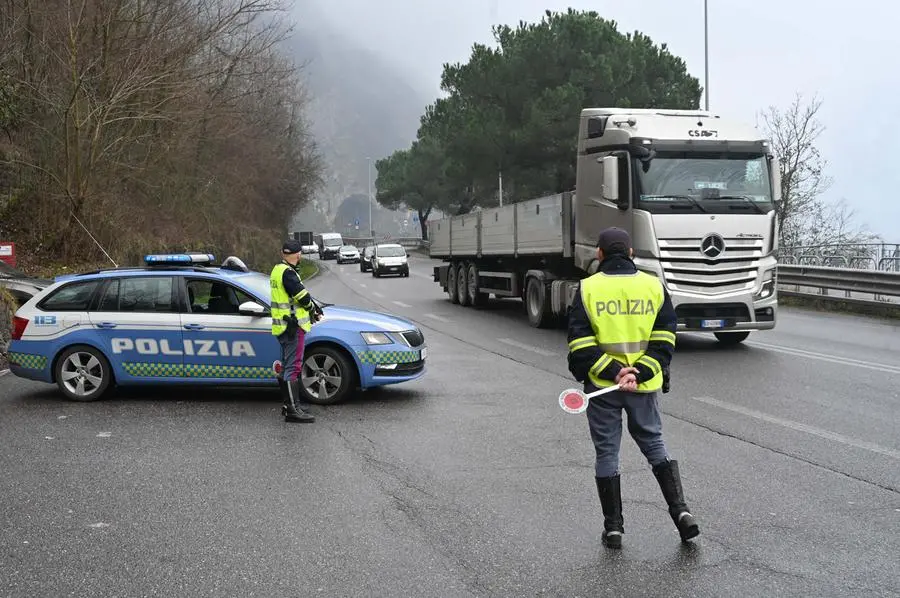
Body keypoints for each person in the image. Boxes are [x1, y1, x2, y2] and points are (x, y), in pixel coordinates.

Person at [566, 226, 700, 548]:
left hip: (603, 388)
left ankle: (613, 529)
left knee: (607, 454)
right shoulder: (654, 287)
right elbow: (666, 337)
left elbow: (580, 344)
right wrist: (638, 372)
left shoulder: (587, 289)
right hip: (643, 385)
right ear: (630, 254)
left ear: (599, 254)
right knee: (655, 445)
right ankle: (681, 513)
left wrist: (614, 372)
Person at [270, 239, 323, 423]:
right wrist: (313, 310)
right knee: (293, 367)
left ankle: (289, 405)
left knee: (287, 366)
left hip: (282, 326)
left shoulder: (277, 270)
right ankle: (293, 410)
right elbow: (302, 296)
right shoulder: (289, 273)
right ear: (298, 254)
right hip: (293, 327)